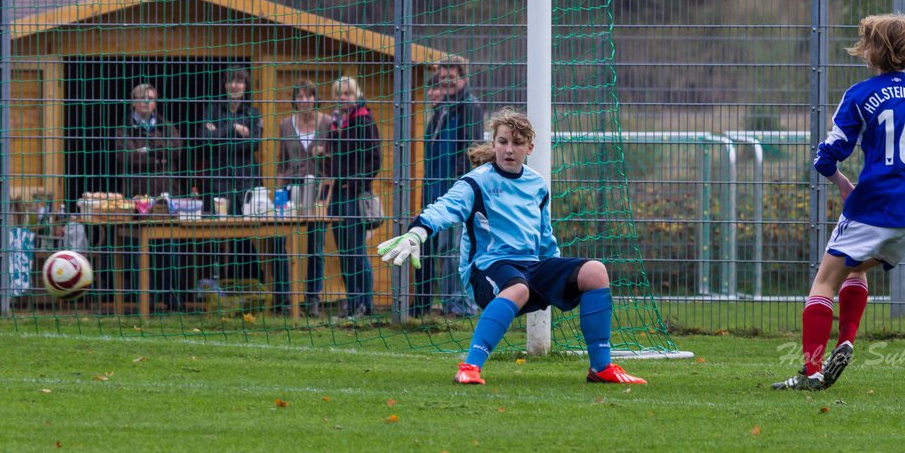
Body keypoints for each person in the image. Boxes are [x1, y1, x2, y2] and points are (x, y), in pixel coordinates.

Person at [772, 13, 905, 391]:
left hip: (872, 206)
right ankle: (846, 339)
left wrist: (843, 182)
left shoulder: (860, 94)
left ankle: (811, 372)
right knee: (857, 269)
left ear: (873, 51)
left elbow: (826, 158)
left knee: (823, 283)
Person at [377, 108, 646, 386]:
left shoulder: (536, 184)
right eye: (503, 141)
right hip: (487, 269)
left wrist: (556, 274)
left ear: (529, 147)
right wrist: (416, 234)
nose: (509, 149)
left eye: (517, 143)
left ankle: (601, 368)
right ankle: (469, 367)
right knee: (518, 288)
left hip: (530, 267)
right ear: (493, 143)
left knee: (595, 272)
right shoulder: (476, 182)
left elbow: (544, 237)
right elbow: (444, 208)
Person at [200, 67, 284, 301]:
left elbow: (253, 144)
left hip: (247, 184)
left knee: (248, 240)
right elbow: (205, 141)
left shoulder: (253, 113)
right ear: (224, 85)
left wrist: (221, 136)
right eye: (230, 81)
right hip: (218, 184)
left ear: (245, 86)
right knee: (216, 240)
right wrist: (234, 130)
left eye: (239, 82)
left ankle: (256, 292)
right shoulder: (213, 109)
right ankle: (216, 291)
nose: (234, 86)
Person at [415, 57, 484, 319]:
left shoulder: (470, 107)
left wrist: (459, 182)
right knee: (444, 249)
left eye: (450, 77)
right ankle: (448, 304)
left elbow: (471, 149)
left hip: (459, 191)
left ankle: (462, 305)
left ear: (462, 78)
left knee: (456, 250)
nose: (445, 82)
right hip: (438, 190)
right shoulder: (441, 110)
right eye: (442, 78)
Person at [113, 82, 183, 310]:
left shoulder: (165, 125)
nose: (147, 103)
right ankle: (144, 302)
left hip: (165, 200)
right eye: (142, 98)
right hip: (136, 199)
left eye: (151, 98)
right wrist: (157, 155)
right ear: (134, 102)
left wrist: (146, 151)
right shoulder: (123, 128)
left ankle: (172, 301)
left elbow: (176, 148)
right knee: (138, 251)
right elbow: (127, 157)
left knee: (169, 249)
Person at [323, 76, 382, 317]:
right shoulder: (337, 122)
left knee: (357, 251)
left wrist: (354, 182)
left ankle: (364, 304)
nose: (342, 98)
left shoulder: (364, 120)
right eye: (338, 94)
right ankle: (351, 300)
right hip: (336, 195)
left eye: (347, 93)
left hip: (354, 196)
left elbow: (375, 160)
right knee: (344, 252)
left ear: (356, 94)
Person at [277, 79, 334, 317]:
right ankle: (284, 299)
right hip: (292, 188)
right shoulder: (285, 125)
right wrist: (278, 195)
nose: (304, 101)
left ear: (315, 98)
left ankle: (313, 299)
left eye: (308, 96)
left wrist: (324, 153)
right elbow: (281, 162)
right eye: (299, 96)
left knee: (315, 246)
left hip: (318, 190)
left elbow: (335, 160)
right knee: (284, 244)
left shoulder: (327, 123)